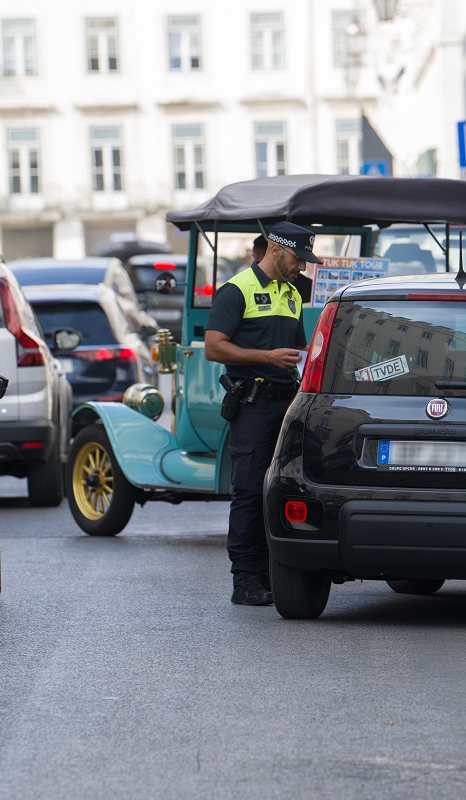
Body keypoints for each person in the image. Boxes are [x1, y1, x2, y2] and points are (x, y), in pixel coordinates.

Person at [205, 221, 321, 606]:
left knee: (280, 490)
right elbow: (214, 348)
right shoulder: (236, 290)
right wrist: (265, 358)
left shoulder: (292, 294)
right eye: (297, 258)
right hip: (253, 404)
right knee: (250, 491)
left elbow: (299, 351)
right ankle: (245, 578)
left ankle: (273, 571)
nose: (301, 267)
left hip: (286, 402)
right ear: (276, 249)